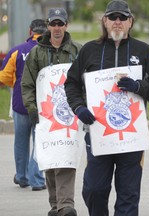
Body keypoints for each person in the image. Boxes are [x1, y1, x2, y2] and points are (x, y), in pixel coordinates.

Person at [64, 0, 149, 215]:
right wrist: (78, 107)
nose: (117, 22)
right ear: (105, 21)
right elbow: (71, 83)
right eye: (113, 17)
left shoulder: (143, 51)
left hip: (131, 137)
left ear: (131, 22)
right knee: (94, 189)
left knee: (128, 194)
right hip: (98, 133)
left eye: (122, 18)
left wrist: (139, 86)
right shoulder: (90, 50)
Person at [21, 8, 82, 216]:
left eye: (60, 24)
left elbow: (85, 80)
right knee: (50, 158)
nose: (57, 28)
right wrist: (31, 108)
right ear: (48, 26)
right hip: (45, 115)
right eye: (53, 24)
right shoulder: (36, 53)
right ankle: (55, 204)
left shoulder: (77, 50)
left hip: (70, 114)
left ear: (66, 25)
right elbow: (27, 83)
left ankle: (66, 204)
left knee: (66, 156)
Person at [0, 19, 47, 191]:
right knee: (39, 141)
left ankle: (22, 176)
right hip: (42, 105)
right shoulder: (48, 51)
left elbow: (3, 77)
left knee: (20, 141)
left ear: (30, 31)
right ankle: (37, 180)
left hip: (20, 103)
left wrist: (16, 82)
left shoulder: (16, 51)